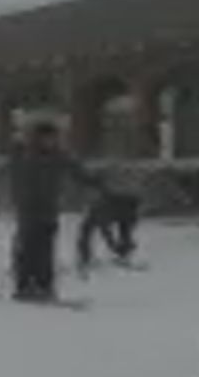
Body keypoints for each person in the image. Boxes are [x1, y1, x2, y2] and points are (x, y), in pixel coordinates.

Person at [9, 122, 99, 301]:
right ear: (38, 139)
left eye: (54, 138)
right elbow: (18, 181)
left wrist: (96, 182)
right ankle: (24, 286)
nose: (52, 142)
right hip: (29, 210)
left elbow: (77, 171)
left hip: (49, 210)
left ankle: (45, 286)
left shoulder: (59, 156)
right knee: (27, 249)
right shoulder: (27, 156)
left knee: (46, 251)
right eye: (47, 138)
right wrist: (23, 201)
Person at [77, 189, 141, 272]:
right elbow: (106, 232)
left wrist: (116, 247)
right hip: (114, 210)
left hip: (123, 213)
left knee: (125, 234)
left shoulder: (103, 211)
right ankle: (85, 258)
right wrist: (114, 246)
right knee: (85, 230)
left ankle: (124, 255)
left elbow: (107, 232)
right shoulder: (96, 211)